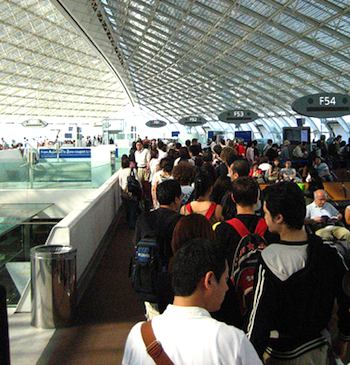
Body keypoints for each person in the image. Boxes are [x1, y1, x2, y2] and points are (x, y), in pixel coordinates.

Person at [247, 182, 350, 364]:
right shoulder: (328, 252)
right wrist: (343, 336)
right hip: (321, 350)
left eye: (265, 213)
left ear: (278, 218)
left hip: (282, 355)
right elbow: (346, 297)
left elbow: (259, 321)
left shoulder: (270, 258)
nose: (264, 218)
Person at [122, 238, 262, 365]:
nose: (226, 288)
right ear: (209, 280)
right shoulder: (232, 341)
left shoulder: (139, 336)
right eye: (225, 280)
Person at [134, 180, 182, 318]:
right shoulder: (180, 221)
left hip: (148, 280)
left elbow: (136, 245)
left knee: (154, 325)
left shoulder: (144, 219)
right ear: (176, 199)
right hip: (173, 283)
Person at [116, 155, 141, 229]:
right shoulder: (133, 170)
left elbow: (120, 183)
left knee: (126, 208)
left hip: (124, 193)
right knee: (133, 208)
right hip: (132, 192)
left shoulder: (121, 172)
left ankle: (127, 222)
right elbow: (138, 181)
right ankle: (132, 224)